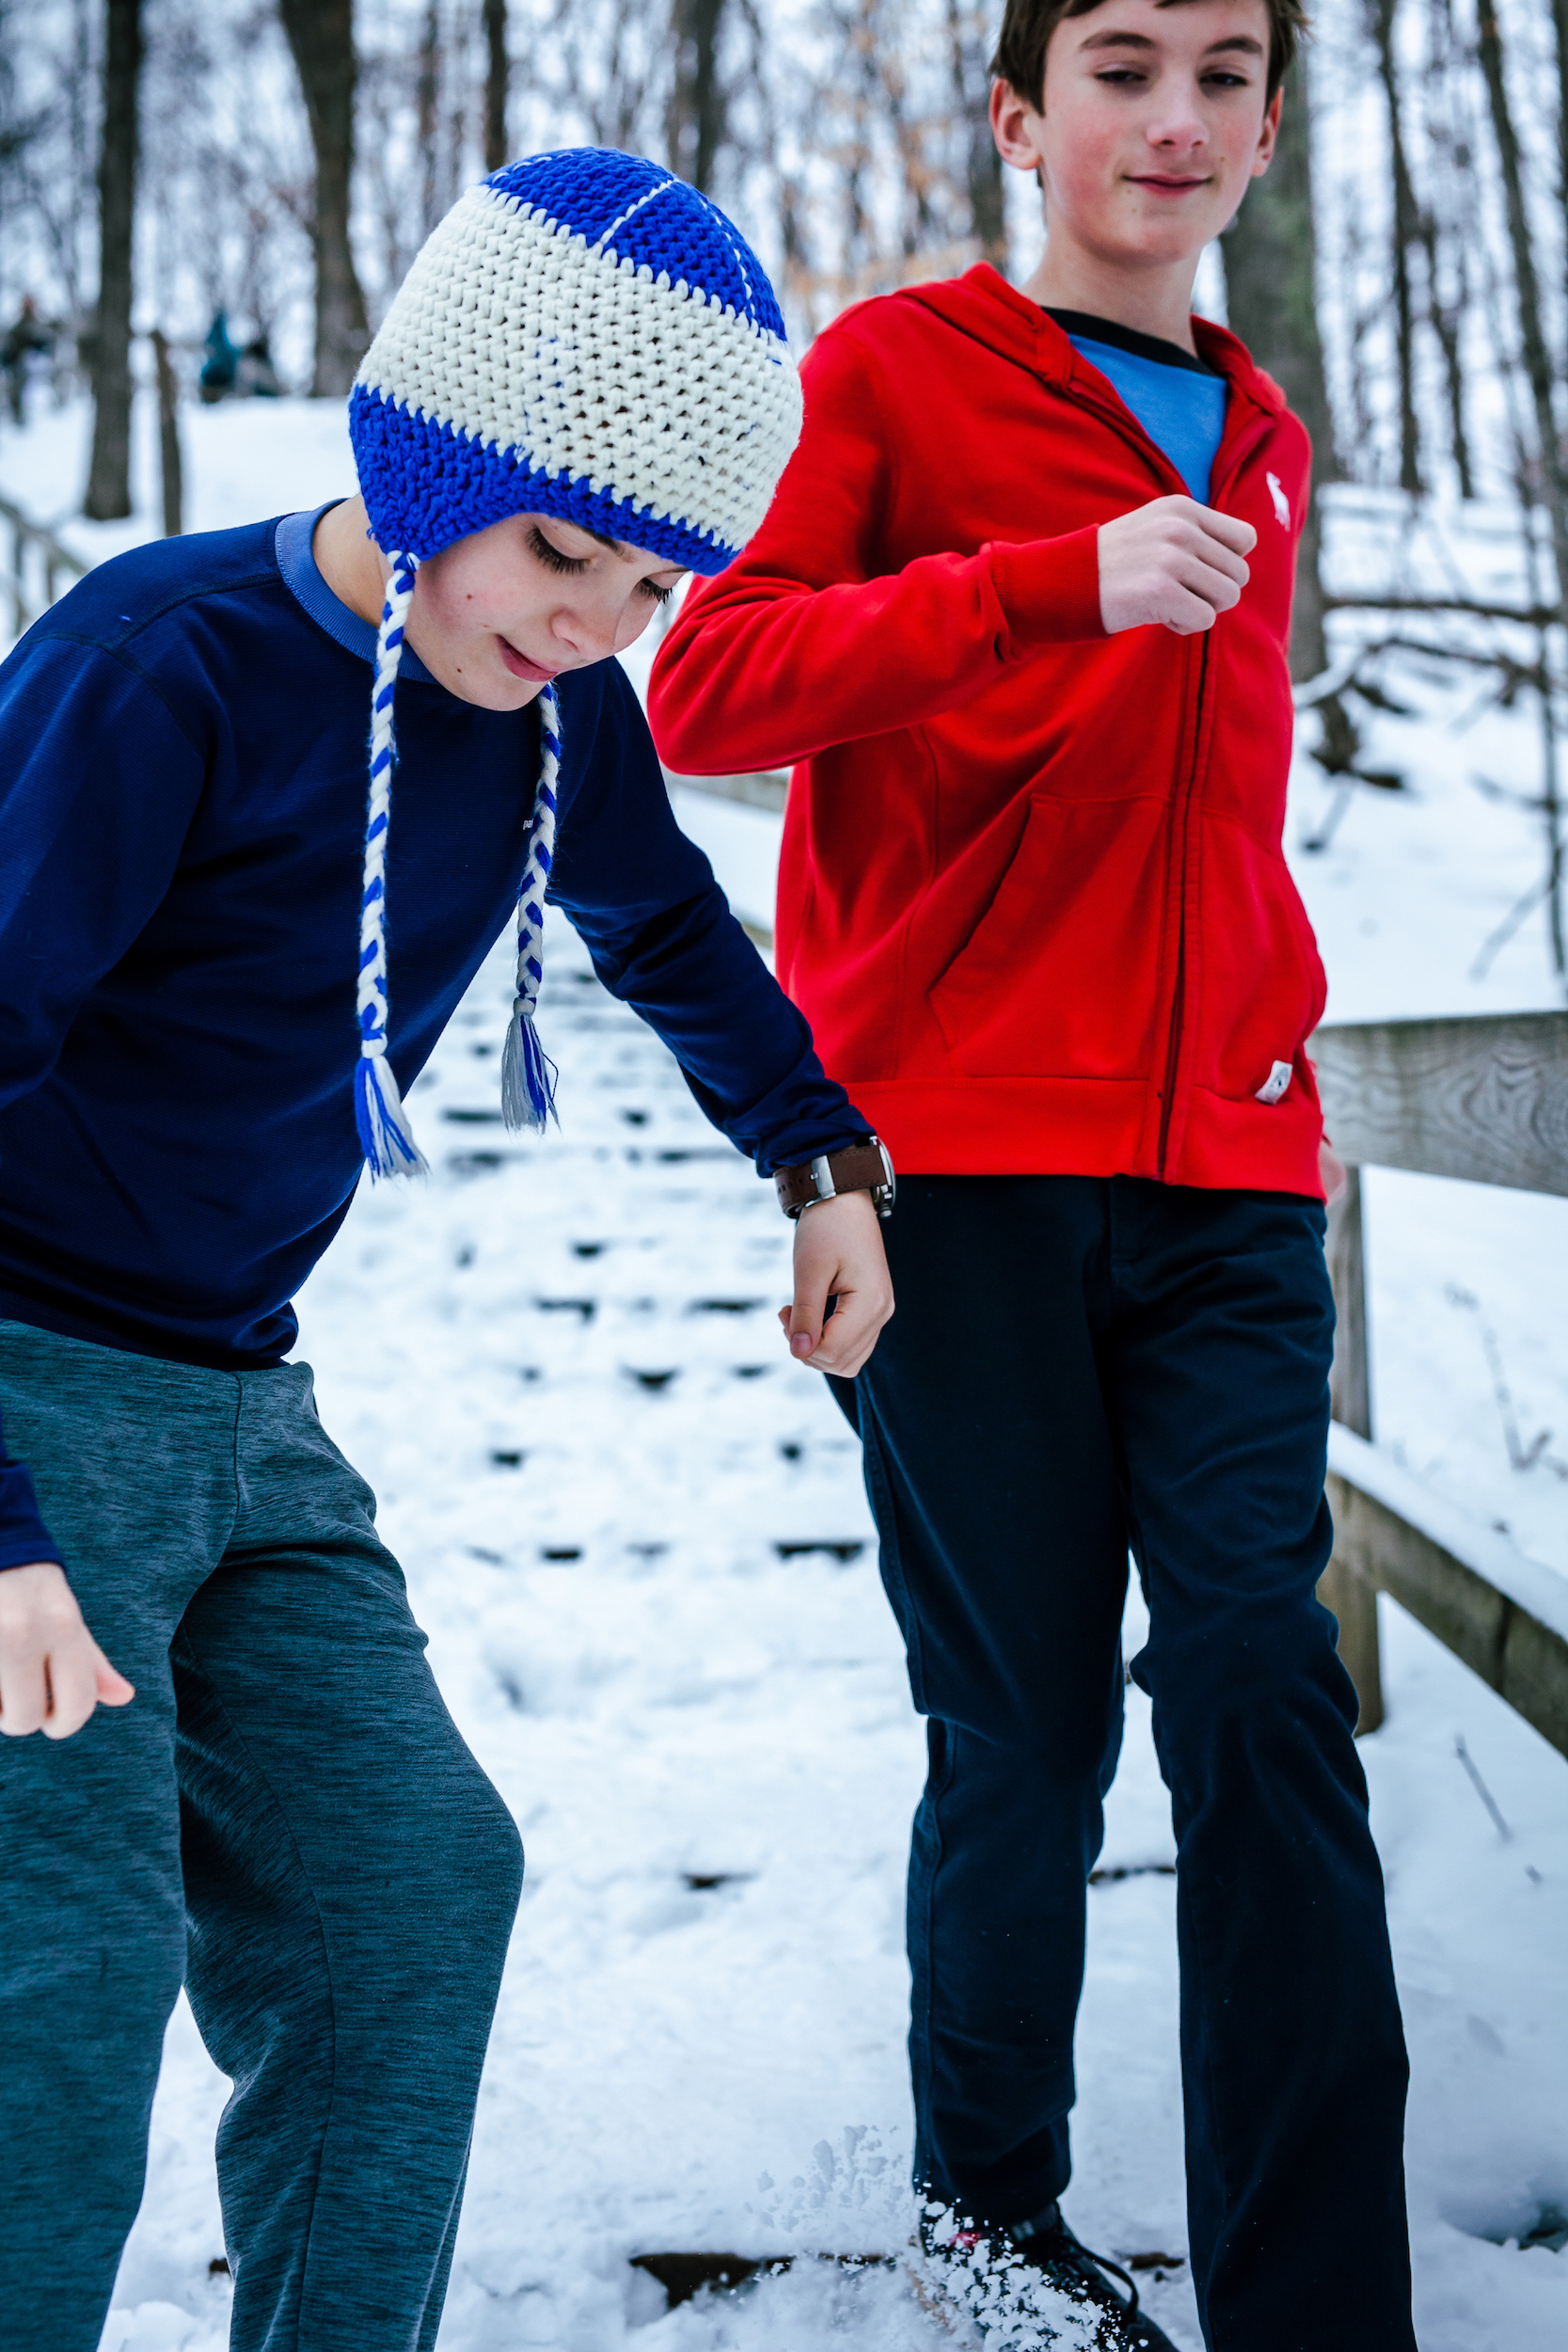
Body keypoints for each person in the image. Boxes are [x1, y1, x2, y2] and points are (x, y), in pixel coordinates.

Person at [0, 149, 895, 2352]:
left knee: (411, 1878)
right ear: (430, 457)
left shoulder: (544, 709)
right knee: (70, 1957)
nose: (598, 619)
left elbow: (661, 922)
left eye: (656, 585)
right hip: (25, 1382)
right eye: (560, 548)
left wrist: (820, 1158)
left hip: (245, 1403)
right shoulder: (163, 665)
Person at [649, 6, 1416, 2347]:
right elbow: (707, 687)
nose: (1170, 117)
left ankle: (1320, 2308)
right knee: (1023, 1732)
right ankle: (992, 2214)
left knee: (1265, 1688)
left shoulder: (1269, 437)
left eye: (1220, 72)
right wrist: (1046, 586)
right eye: (1116, 65)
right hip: (958, 1164)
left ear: (1270, 128)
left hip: (1233, 1168)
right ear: (1021, 117)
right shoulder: (896, 369)